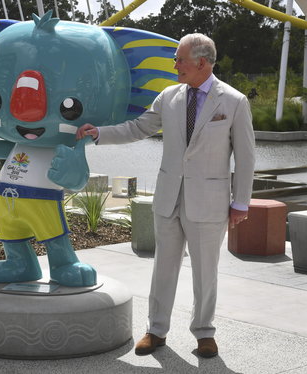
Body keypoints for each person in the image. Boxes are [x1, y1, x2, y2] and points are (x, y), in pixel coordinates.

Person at [77, 33, 255, 358]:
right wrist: (99, 134)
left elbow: (245, 157)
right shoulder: (169, 96)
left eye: (179, 59)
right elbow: (137, 128)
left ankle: (204, 333)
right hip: (168, 197)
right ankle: (156, 330)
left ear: (201, 62)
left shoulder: (233, 101)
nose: (175, 65)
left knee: (206, 271)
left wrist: (240, 202)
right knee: (163, 267)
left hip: (210, 202)